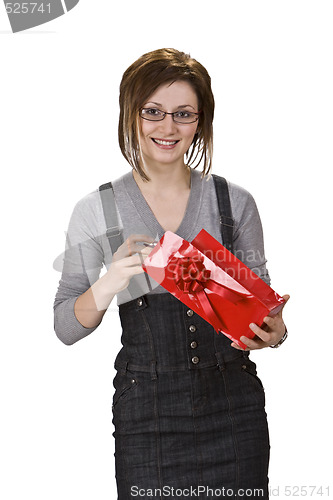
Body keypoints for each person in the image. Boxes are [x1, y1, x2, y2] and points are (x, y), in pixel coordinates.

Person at [54, 48, 289, 499]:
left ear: (200, 121)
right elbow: (65, 326)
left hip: (234, 410)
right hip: (147, 416)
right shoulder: (97, 210)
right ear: (131, 113)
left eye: (183, 114)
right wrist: (109, 282)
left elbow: (264, 317)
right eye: (153, 112)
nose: (168, 127)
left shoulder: (232, 203)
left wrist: (274, 331)